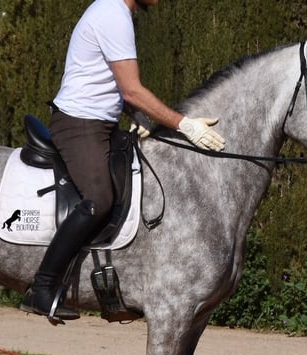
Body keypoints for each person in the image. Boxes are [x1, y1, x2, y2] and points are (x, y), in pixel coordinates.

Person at [20, 0, 226, 321]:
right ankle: (42, 288)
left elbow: (110, 81)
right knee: (99, 199)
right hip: (78, 125)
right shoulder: (112, 14)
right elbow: (131, 89)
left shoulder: (117, 13)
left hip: (101, 124)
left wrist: (137, 114)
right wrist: (184, 124)